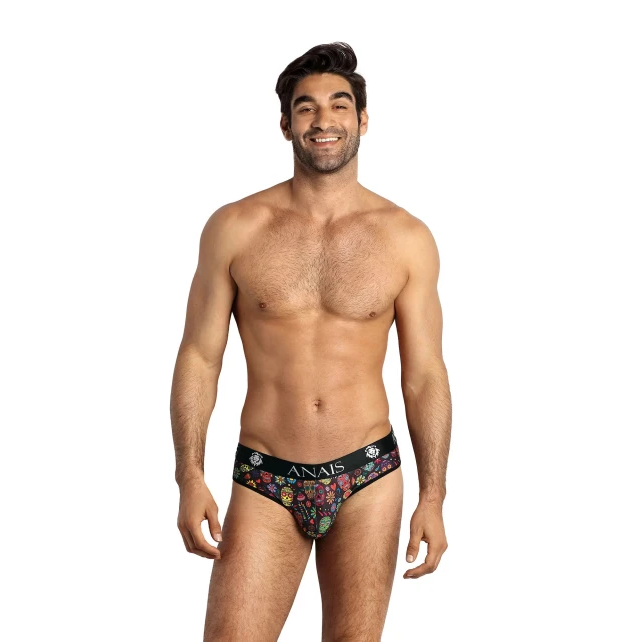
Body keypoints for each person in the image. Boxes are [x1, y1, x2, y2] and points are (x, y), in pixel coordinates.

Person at [170, 41, 452, 641]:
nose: (324, 120)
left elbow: (424, 374)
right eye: (306, 108)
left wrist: (434, 495)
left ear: (363, 120)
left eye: (339, 105)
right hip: (265, 475)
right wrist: (189, 475)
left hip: (367, 474)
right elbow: (199, 356)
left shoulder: (406, 238)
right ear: (285, 125)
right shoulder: (235, 228)